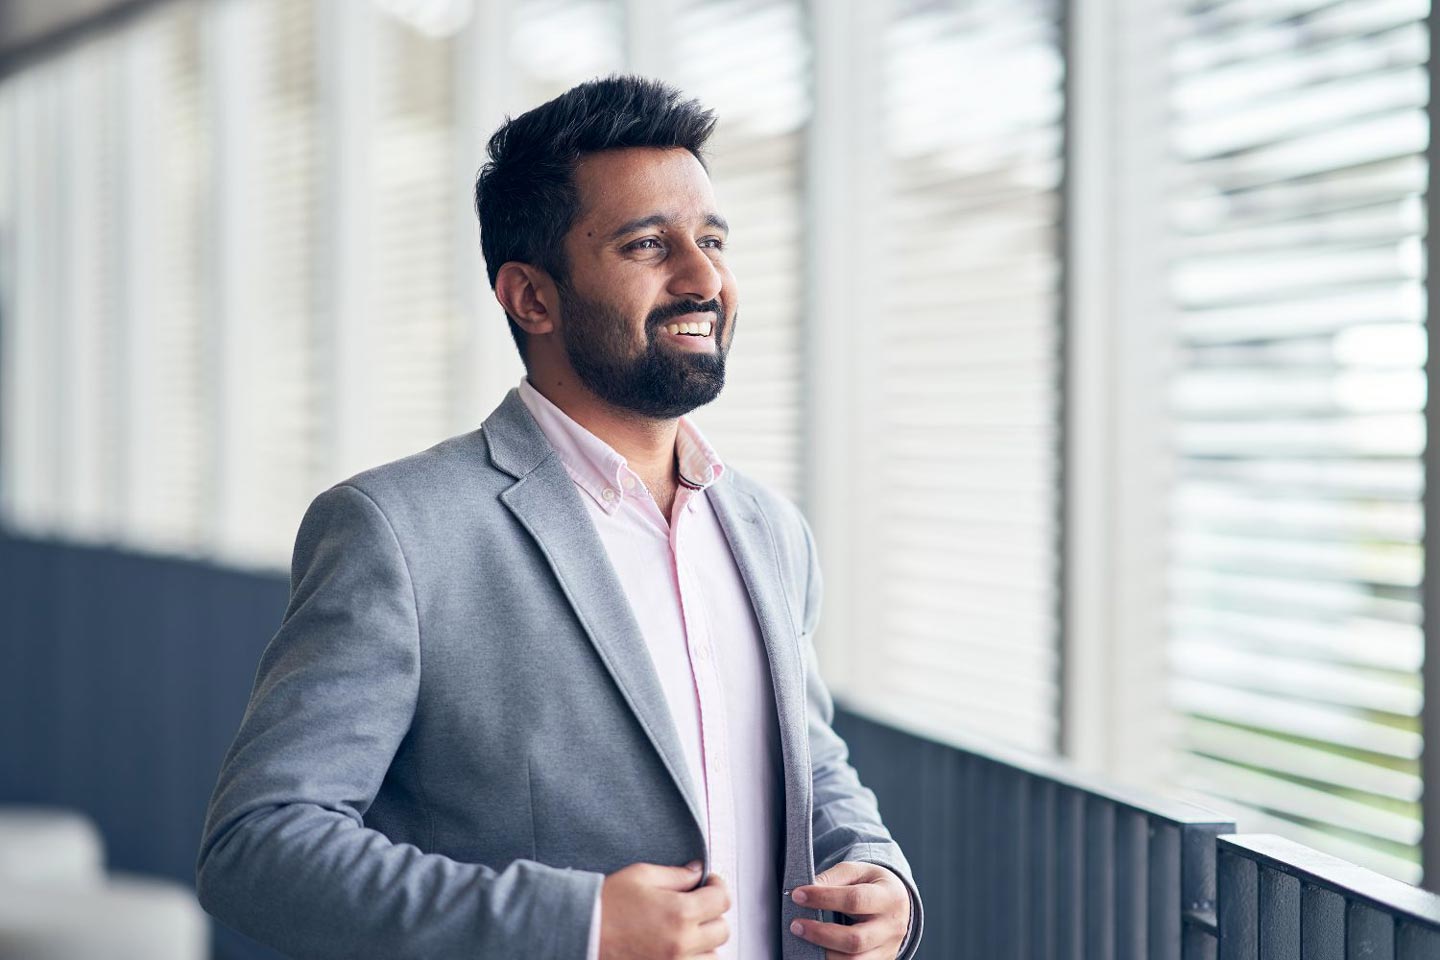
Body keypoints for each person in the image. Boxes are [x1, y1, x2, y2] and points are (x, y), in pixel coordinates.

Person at [196, 75, 923, 960]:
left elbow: (808, 761)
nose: (704, 278)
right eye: (648, 245)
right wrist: (573, 926)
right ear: (531, 297)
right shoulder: (396, 530)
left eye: (713, 239)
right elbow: (259, 847)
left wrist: (878, 873)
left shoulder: (769, 529)